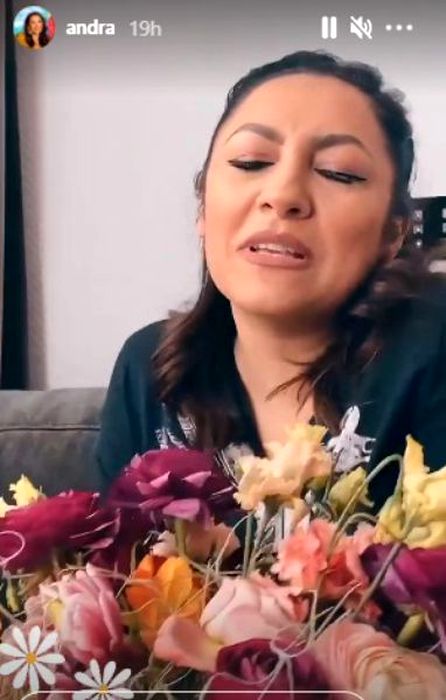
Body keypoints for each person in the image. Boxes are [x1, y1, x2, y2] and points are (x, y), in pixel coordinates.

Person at [97, 50, 446, 509]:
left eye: (338, 173)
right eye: (250, 162)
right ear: (204, 205)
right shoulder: (149, 369)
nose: (283, 196)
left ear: (392, 232)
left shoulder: (432, 348)